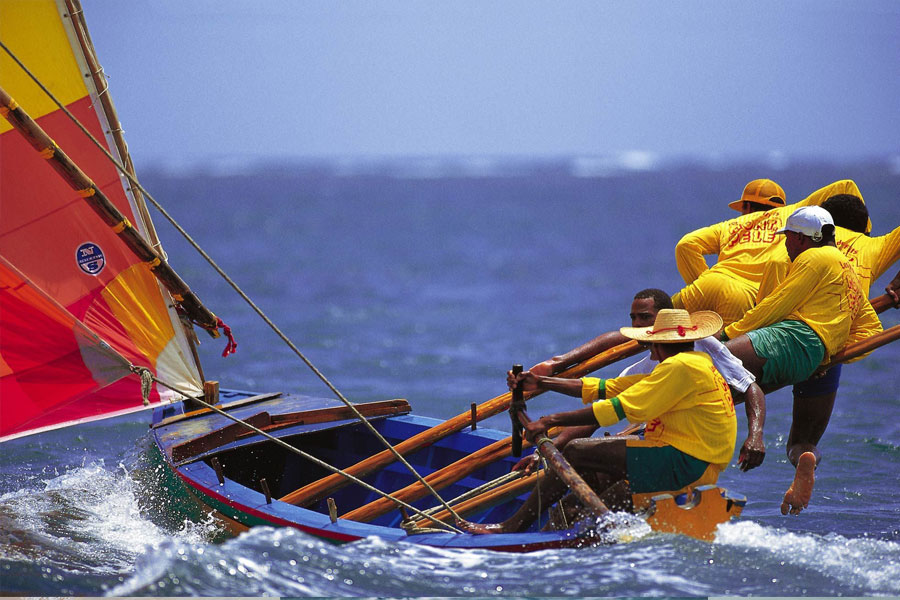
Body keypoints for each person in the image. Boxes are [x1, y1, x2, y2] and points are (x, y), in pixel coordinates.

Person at [458, 309, 737, 534]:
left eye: (651, 341)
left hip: (686, 462)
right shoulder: (695, 362)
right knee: (592, 470)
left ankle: (511, 527)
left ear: (661, 343)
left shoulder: (680, 368)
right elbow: (606, 388)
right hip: (695, 461)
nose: (649, 347)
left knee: (577, 451)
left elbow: (620, 407)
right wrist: (541, 382)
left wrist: (549, 420)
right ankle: (568, 530)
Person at [720, 206, 883, 515]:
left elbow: (775, 306)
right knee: (799, 440)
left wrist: (727, 335)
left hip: (790, 338)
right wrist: (831, 355)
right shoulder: (845, 267)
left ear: (803, 238)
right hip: (816, 359)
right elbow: (872, 330)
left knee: (703, 367)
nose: (785, 244)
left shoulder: (811, 258)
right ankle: (805, 460)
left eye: (789, 238)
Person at [525, 288, 764, 472]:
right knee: (587, 453)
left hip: (691, 451)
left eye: (645, 318)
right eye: (633, 319)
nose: (637, 325)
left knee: (580, 451)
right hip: (666, 440)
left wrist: (755, 436)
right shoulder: (642, 368)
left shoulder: (698, 351)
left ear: (664, 320)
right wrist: (552, 447)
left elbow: (750, 387)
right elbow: (600, 401)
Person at [673, 180, 865, 325]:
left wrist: (702, 281)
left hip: (707, 284)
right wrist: (863, 233)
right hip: (743, 297)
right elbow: (846, 185)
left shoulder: (729, 225)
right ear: (780, 207)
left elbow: (686, 245)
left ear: (747, 206)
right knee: (726, 365)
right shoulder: (791, 216)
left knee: (654, 327)